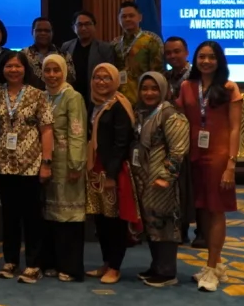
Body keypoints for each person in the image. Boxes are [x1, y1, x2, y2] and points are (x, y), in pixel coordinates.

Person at [176, 41, 242, 292]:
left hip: (219, 157)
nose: (205, 61)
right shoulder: (187, 87)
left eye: (211, 57)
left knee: (216, 210)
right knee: (202, 208)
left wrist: (231, 164)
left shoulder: (229, 88)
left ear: (219, 60)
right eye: (201, 56)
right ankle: (216, 263)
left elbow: (235, 128)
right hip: (194, 155)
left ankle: (212, 267)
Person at [0, 51, 53, 284]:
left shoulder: (38, 95)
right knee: (9, 216)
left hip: (31, 165)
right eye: (8, 66)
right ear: (2, 69)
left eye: (18, 66)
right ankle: (10, 261)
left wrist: (46, 163)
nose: (13, 70)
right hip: (3, 164)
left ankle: (33, 264)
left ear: (25, 69)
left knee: (32, 216)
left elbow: (47, 130)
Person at [133, 72, 190, 288]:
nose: (149, 93)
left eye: (154, 88)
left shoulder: (171, 115)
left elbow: (178, 150)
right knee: (151, 222)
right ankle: (156, 266)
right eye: (145, 88)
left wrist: (166, 176)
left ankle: (167, 272)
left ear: (164, 90)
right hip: (145, 179)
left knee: (165, 223)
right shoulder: (142, 112)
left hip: (162, 180)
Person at [85, 63, 140, 285]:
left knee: (114, 221)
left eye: (106, 78)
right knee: (100, 221)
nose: (101, 82)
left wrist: (111, 175)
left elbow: (121, 143)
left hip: (111, 171)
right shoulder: (95, 103)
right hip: (94, 169)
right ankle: (106, 262)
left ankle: (115, 267)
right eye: (97, 77)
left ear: (115, 80)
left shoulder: (119, 105)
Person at [39, 54, 88, 283]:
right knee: (50, 216)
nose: (52, 75)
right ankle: (51, 262)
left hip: (68, 164)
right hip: (47, 163)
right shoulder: (43, 96)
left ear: (64, 72)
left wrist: (76, 164)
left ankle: (70, 266)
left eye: (56, 70)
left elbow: (77, 132)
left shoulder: (72, 97)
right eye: (47, 70)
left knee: (69, 218)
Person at [163, 36, 198, 246]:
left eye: (177, 51)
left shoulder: (196, 77)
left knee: (193, 185)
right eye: (168, 53)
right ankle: (178, 228)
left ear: (186, 52)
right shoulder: (165, 77)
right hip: (172, 137)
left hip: (194, 135)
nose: (172, 56)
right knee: (177, 184)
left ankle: (199, 231)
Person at [60, 11, 116, 113]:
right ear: (73, 27)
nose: (84, 28)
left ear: (94, 26)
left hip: (96, 98)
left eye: (87, 24)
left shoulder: (105, 48)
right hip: (72, 97)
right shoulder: (66, 47)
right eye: (80, 25)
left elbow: (111, 76)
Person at [111, 1, 164, 106]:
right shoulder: (115, 44)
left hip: (143, 98)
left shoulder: (150, 42)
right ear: (119, 19)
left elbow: (157, 73)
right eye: (124, 16)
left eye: (131, 16)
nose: (127, 19)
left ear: (140, 17)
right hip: (119, 99)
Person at [23, 17, 76, 87]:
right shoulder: (23, 55)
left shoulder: (64, 55)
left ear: (52, 33)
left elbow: (71, 79)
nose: (43, 33)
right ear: (32, 32)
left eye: (47, 31)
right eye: (39, 30)